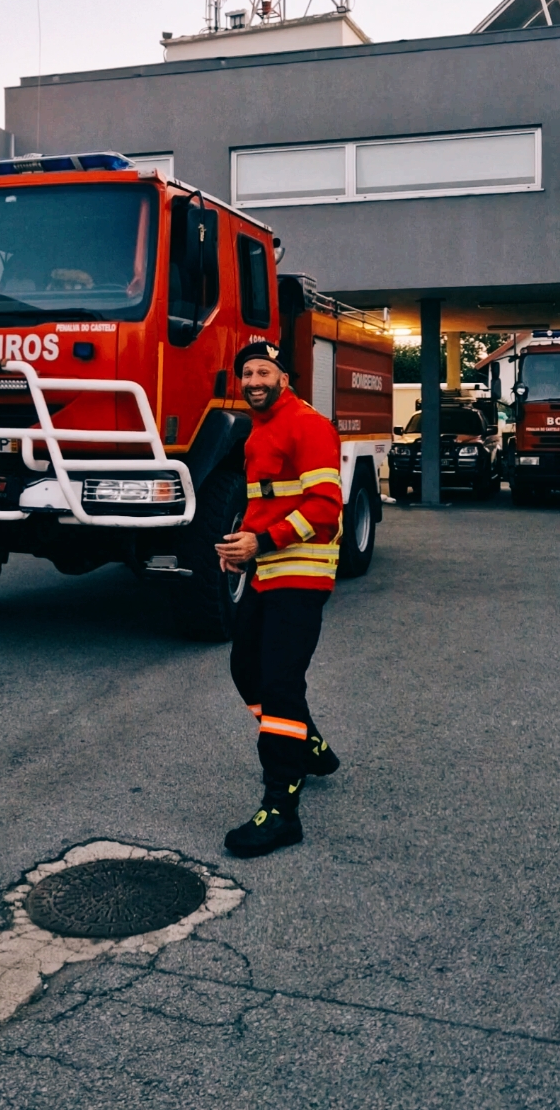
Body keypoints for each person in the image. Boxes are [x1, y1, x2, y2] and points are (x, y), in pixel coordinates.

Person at [216, 342, 343, 858]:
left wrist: (262, 543)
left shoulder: (309, 426)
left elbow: (326, 508)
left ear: (284, 378)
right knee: (246, 669)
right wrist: (240, 547)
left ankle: (281, 809)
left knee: (280, 684)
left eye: (263, 371)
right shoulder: (257, 432)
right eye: (246, 373)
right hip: (266, 572)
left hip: (302, 575)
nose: (254, 380)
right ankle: (308, 746)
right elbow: (261, 503)